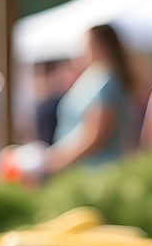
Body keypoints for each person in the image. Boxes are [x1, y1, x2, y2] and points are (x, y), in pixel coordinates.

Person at [44, 24, 136, 175]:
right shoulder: (94, 77)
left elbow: (96, 136)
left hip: (97, 173)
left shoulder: (107, 82)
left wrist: (58, 162)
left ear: (100, 46)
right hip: (82, 169)